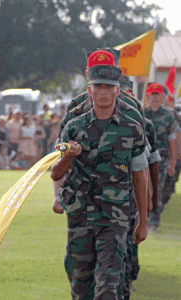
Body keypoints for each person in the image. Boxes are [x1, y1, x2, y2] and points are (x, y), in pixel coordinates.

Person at [50, 50, 148, 300]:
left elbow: (140, 170)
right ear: (90, 88)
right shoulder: (74, 122)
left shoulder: (132, 124)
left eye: (109, 86)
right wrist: (69, 156)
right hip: (80, 213)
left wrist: (143, 218)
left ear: (118, 89)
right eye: (98, 86)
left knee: (107, 287)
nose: (103, 91)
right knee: (80, 287)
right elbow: (55, 170)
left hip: (116, 216)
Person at [145, 83, 177, 233]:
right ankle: (142, 218)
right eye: (153, 94)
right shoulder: (140, 114)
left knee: (157, 189)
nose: (155, 97)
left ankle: (153, 222)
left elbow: (172, 140)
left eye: (158, 94)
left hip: (161, 160)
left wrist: (172, 163)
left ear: (162, 96)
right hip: (143, 159)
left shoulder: (168, 115)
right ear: (148, 96)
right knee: (143, 189)